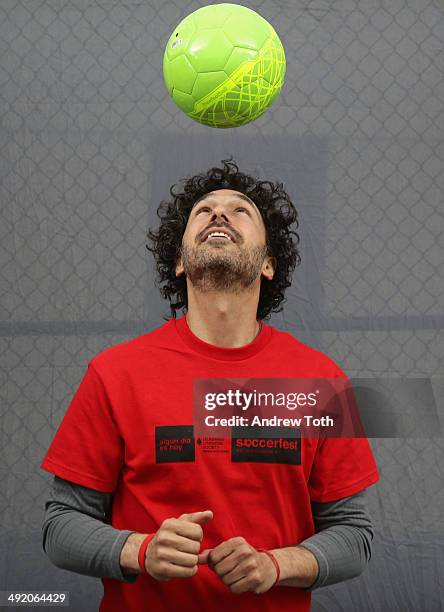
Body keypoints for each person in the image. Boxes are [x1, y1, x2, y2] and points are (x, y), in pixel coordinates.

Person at [41, 158, 379, 612]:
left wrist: (275, 565)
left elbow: (354, 535)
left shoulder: (323, 380)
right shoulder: (114, 372)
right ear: (179, 262)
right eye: (204, 210)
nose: (219, 213)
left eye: (241, 210)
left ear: (269, 266)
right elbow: (60, 526)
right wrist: (140, 550)